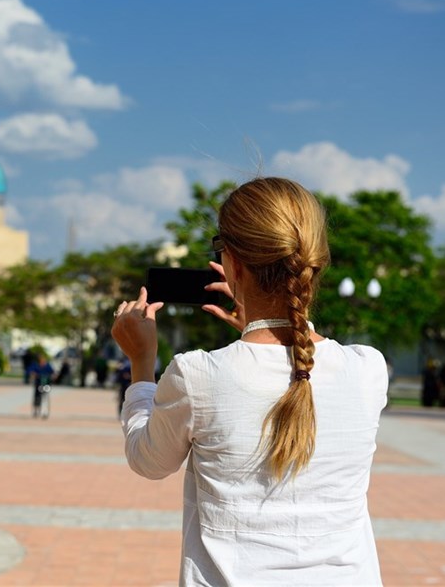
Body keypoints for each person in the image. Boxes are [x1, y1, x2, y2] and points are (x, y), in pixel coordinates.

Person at [111, 177, 388, 586]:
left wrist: (141, 363)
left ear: (233, 264)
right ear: (316, 260)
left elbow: (148, 461)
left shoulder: (198, 374)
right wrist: (261, 328)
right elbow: (286, 366)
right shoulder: (368, 369)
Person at [27, 354, 54, 418]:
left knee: (45, 398)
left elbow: (53, 372)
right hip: (38, 384)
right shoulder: (35, 365)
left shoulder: (47, 366)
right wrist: (33, 374)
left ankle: (44, 412)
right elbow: (30, 371)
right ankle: (36, 411)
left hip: (46, 384)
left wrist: (52, 377)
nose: (42, 361)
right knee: (37, 398)